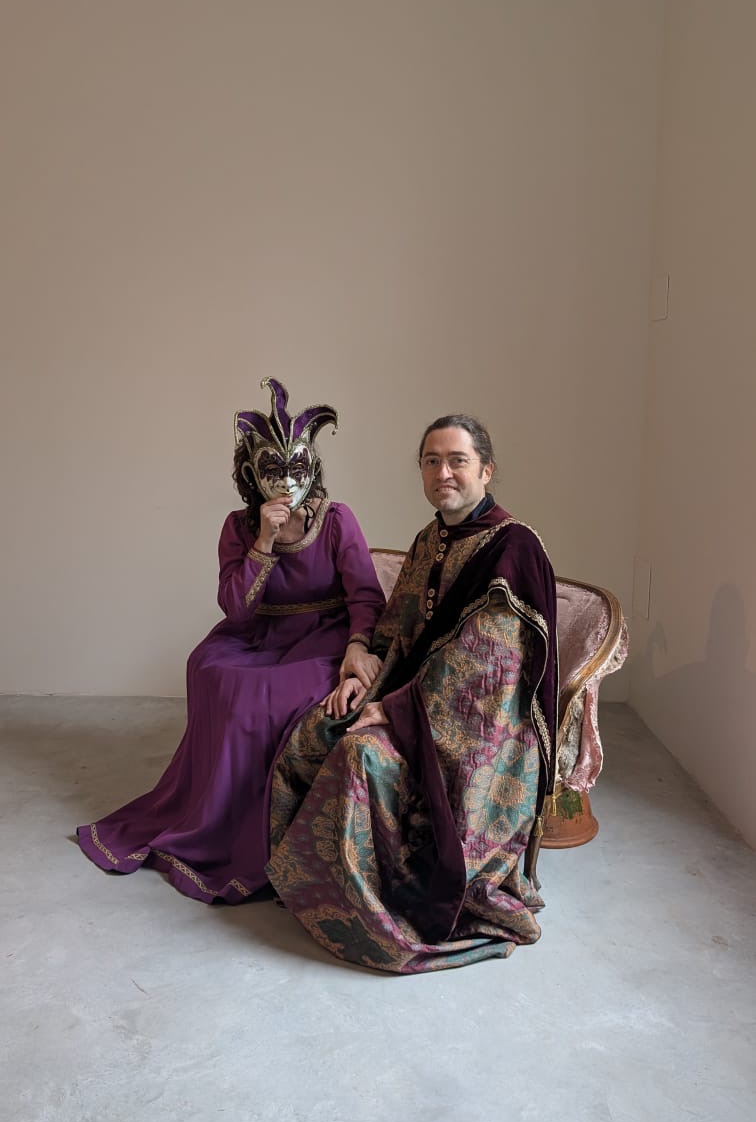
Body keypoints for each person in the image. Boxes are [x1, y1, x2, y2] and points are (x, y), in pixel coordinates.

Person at [266, 414, 558, 972]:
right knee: (312, 732)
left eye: (457, 461)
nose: (442, 472)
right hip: (414, 697)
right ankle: (306, 884)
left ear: (486, 470)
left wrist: (391, 709)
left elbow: (484, 669)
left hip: (483, 729)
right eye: (431, 461)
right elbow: (398, 627)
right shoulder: (431, 538)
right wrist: (361, 670)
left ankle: (370, 906)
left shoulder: (512, 549)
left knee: (359, 754)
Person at [77, 377, 386, 902]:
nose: (285, 482)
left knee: (262, 697)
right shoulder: (238, 528)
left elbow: (366, 595)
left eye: (296, 469)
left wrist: (358, 644)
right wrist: (263, 541)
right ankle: (210, 814)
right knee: (210, 670)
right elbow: (237, 609)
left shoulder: (337, 520)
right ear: (250, 474)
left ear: (312, 466)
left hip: (324, 637)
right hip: (258, 634)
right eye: (272, 470)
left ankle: (261, 825)